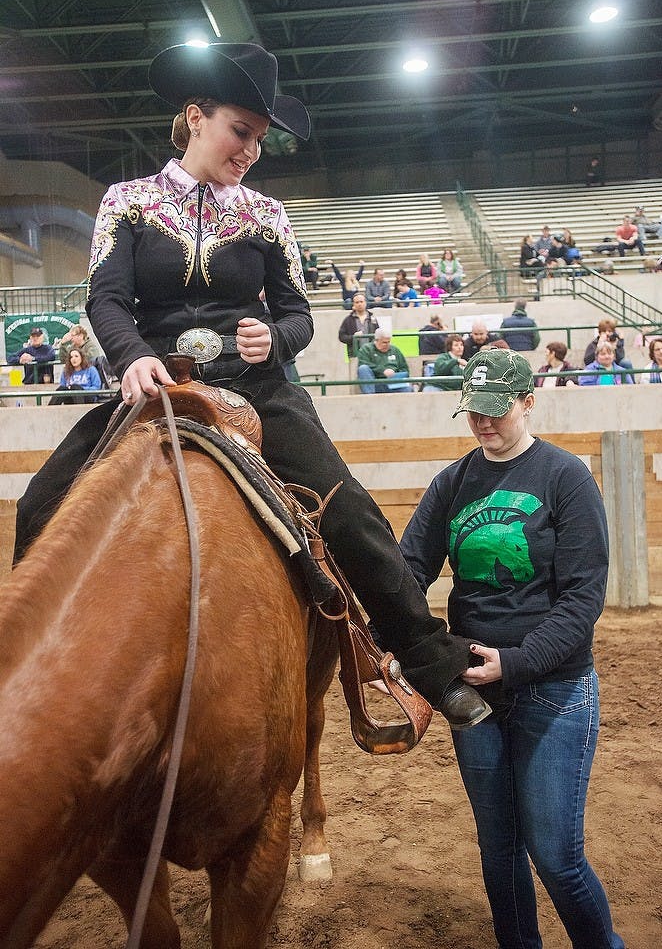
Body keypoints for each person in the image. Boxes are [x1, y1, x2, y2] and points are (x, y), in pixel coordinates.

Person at [12, 40, 488, 731]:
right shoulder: (127, 203)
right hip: (155, 381)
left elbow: (297, 315)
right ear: (196, 116)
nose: (250, 152)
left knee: (350, 512)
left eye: (259, 141)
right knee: (40, 505)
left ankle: (425, 659)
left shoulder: (268, 214)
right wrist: (131, 357)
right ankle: (29, 660)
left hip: (257, 388)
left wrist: (278, 338)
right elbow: (107, 301)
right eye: (242, 132)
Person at [400, 347, 624, 949]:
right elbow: (407, 571)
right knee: (499, 852)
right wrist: (393, 639)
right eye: (473, 410)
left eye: (497, 410)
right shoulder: (452, 483)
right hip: (475, 695)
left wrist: (518, 661)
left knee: (555, 854)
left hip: (554, 691)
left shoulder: (565, 477)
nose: (484, 422)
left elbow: (582, 598)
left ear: (528, 403)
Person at [357, 328, 412, 394]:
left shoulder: (395, 350)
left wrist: (395, 374)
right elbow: (363, 364)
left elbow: (405, 369)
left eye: (389, 342)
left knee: (408, 389)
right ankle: (370, 398)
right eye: (384, 342)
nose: (387, 345)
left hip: (394, 383)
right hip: (375, 383)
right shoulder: (366, 349)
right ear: (376, 340)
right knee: (363, 368)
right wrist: (383, 371)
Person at [337, 292, 378, 356]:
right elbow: (341, 337)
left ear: (365, 303)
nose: (359, 304)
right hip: (354, 354)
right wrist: (353, 337)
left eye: (361, 302)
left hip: (371, 354)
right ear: (353, 304)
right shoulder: (348, 320)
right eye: (357, 302)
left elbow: (378, 335)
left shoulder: (373, 319)